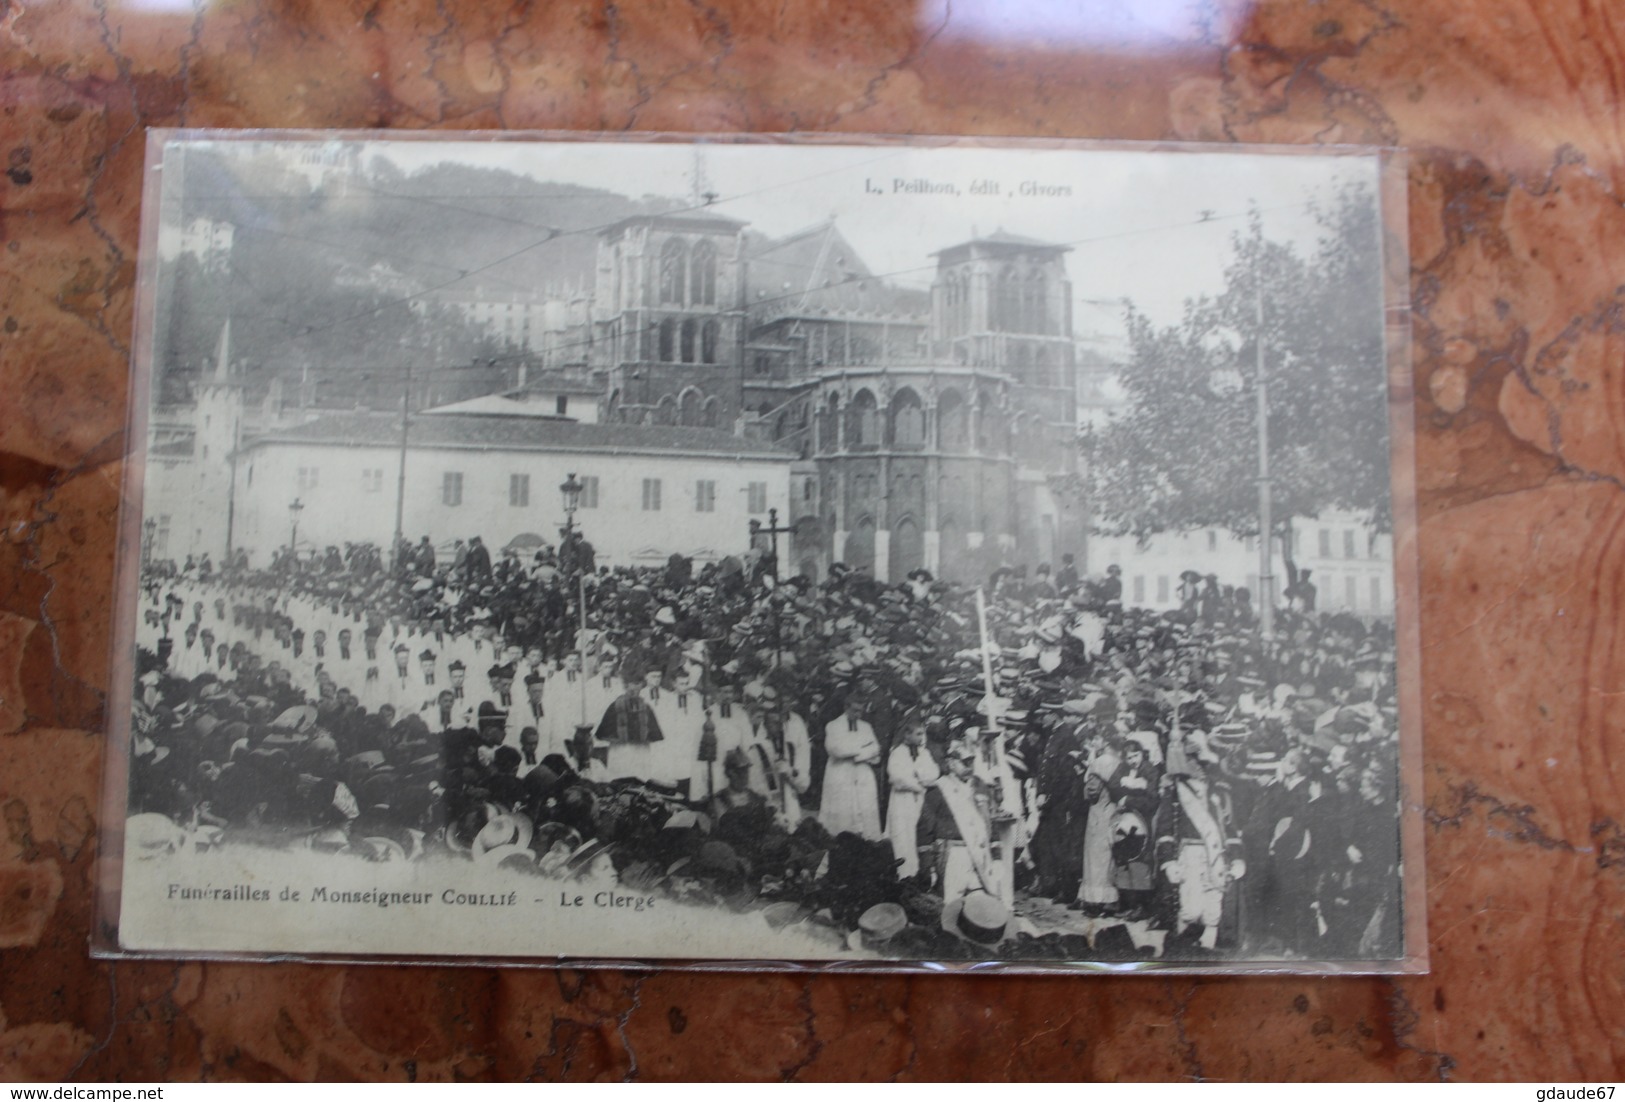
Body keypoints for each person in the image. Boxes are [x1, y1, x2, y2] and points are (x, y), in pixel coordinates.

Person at [915, 741, 996, 908]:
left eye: (971, 762)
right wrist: (927, 866)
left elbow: (987, 821)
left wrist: (995, 853)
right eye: (964, 762)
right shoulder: (938, 790)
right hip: (953, 854)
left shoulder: (978, 786)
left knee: (982, 907)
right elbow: (924, 829)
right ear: (950, 763)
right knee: (951, 906)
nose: (969, 767)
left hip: (980, 854)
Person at [820, 694, 882, 839]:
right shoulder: (833, 726)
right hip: (840, 773)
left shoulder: (866, 726)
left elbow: (875, 748)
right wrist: (862, 749)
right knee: (842, 812)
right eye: (855, 710)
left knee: (865, 809)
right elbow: (836, 749)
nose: (858, 714)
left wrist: (856, 753)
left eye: (861, 711)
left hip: (862, 773)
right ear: (846, 708)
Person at [885, 720, 940, 879]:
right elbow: (897, 778)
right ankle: (904, 874)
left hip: (919, 800)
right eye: (918, 734)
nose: (922, 738)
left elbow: (933, 774)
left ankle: (919, 874)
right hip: (902, 801)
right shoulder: (897, 753)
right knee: (902, 836)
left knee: (919, 835)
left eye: (923, 734)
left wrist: (919, 776)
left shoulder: (924, 753)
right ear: (907, 735)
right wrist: (918, 784)